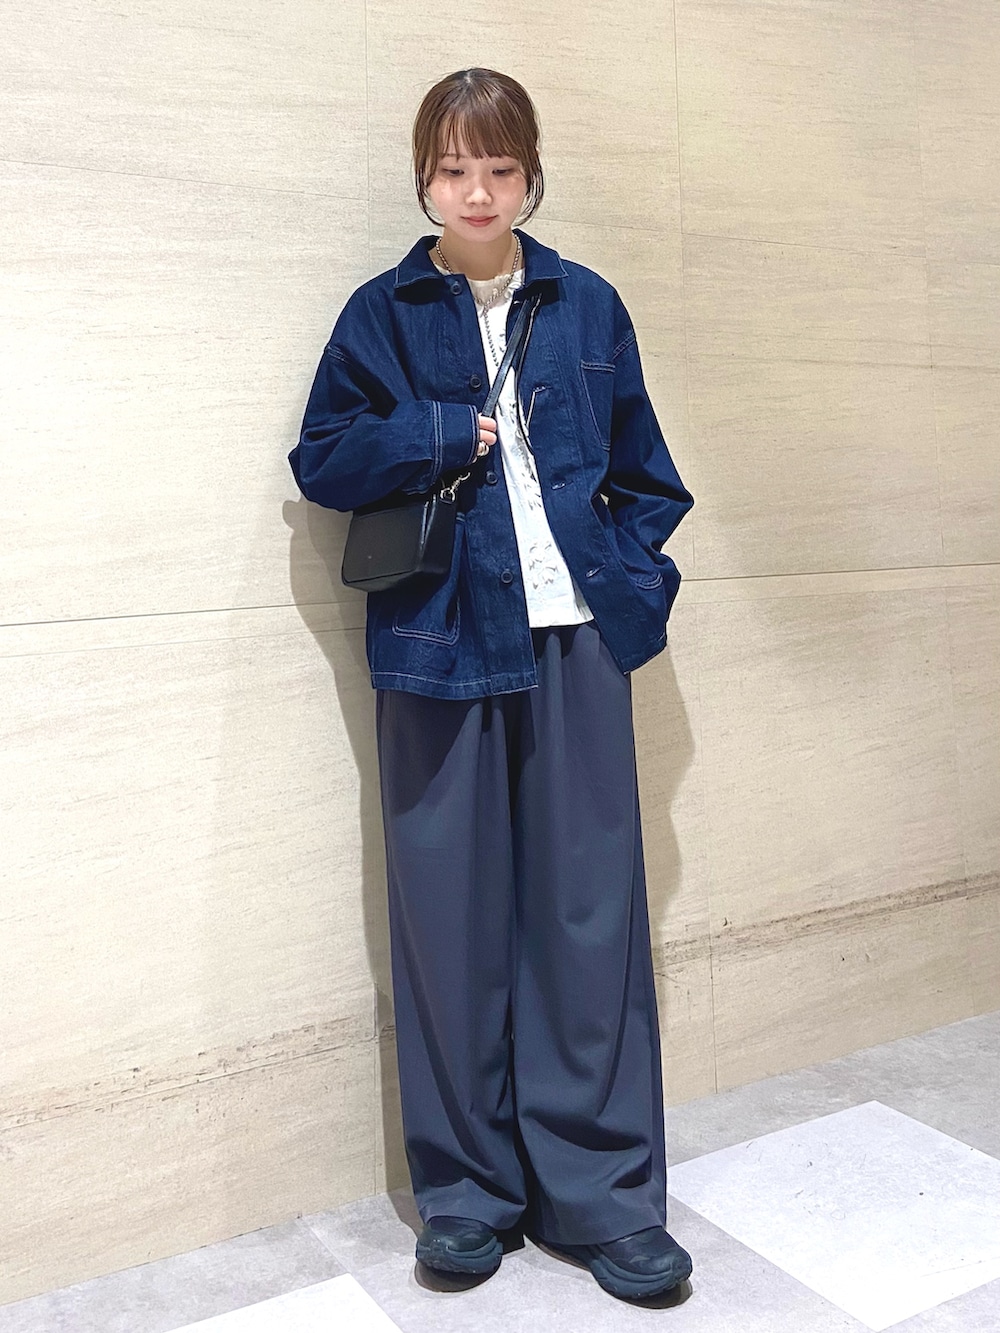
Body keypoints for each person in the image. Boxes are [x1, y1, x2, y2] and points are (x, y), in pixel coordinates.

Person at [289, 68, 694, 1302]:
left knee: (588, 918)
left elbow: (648, 478)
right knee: (448, 920)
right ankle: (467, 1194)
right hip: (440, 644)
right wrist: (431, 432)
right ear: (424, 177)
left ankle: (604, 1195)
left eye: (500, 168)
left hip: (575, 638)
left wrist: (632, 589)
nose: (477, 191)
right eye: (454, 169)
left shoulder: (588, 303)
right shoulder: (383, 313)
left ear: (530, 175)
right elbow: (321, 459)